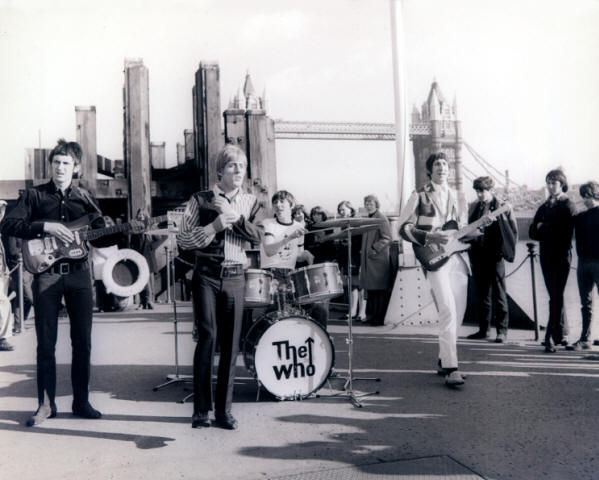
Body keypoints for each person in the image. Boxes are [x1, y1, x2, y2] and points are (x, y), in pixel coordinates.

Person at [0, 139, 135, 425]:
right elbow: (8, 224)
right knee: (45, 344)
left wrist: (128, 229)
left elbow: (101, 235)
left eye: (66, 163)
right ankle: (45, 405)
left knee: (82, 342)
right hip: (47, 276)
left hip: (79, 275)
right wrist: (44, 225)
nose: (60, 167)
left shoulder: (84, 199)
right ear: (50, 166)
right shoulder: (34, 197)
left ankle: (81, 401)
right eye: (56, 162)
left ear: (75, 168)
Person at [177, 144, 261, 430]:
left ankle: (224, 411)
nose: (238, 171)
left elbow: (259, 238)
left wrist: (235, 218)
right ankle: (201, 410)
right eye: (231, 166)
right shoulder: (200, 200)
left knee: (231, 345)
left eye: (242, 166)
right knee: (208, 337)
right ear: (219, 171)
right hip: (207, 276)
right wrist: (213, 226)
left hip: (236, 276)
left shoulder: (251, 202)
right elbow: (183, 241)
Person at [399, 152, 470, 386]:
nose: (441, 167)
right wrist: (429, 236)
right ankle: (452, 368)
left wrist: (477, 230)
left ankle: (443, 359)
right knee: (447, 309)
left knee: (458, 312)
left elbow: (463, 229)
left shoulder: (459, 196)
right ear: (430, 170)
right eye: (437, 164)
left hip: (457, 256)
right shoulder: (419, 195)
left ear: (449, 170)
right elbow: (402, 228)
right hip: (434, 259)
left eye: (444, 164)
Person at [529, 169, 576, 353]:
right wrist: (545, 228)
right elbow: (533, 232)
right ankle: (560, 334)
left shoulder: (568, 205)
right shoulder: (544, 206)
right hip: (546, 256)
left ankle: (549, 337)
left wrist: (543, 227)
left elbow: (565, 233)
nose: (549, 186)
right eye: (548, 182)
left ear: (562, 183)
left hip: (561, 256)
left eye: (553, 183)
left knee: (556, 295)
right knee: (554, 295)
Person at [466, 177, 518, 343]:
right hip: (478, 254)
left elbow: (513, 231)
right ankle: (484, 330)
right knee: (482, 294)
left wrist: (505, 251)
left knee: (499, 293)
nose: (480, 194)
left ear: (490, 190)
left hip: (495, 255)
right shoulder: (474, 206)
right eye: (477, 191)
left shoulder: (503, 207)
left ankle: (502, 331)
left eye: (482, 191)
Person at [565, 181, 599, 351]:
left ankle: (588, 338)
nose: (586, 199)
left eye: (588, 196)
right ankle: (585, 338)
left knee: (587, 303)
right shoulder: (580, 217)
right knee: (585, 303)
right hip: (583, 262)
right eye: (584, 196)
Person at [360, 194, 392, 326]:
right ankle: (371, 316)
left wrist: (374, 249)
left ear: (376, 204)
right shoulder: (369, 218)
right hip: (370, 260)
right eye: (366, 203)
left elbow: (387, 237)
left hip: (378, 260)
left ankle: (378, 318)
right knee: (371, 290)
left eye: (370, 203)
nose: (368, 206)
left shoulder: (381, 218)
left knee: (378, 290)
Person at [335, 200, 366, 321]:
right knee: (351, 285)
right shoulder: (343, 224)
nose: (342, 212)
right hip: (347, 256)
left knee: (360, 285)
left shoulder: (356, 222)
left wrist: (351, 242)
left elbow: (362, 239)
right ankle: (353, 311)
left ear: (350, 209)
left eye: (343, 209)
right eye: (340, 210)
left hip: (356, 256)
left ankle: (362, 312)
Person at [130, 208, 161, 310]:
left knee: (149, 280)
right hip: (138, 257)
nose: (141, 216)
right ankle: (142, 302)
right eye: (139, 214)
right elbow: (132, 243)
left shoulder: (151, 226)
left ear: (146, 215)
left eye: (143, 215)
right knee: (140, 280)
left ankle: (149, 301)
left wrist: (151, 247)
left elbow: (158, 239)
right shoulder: (134, 228)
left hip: (148, 256)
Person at [3, 234, 34, 334]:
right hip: (19, 266)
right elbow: (12, 251)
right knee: (28, 296)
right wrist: (25, 252)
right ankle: (46, 314)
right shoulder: (11, 232)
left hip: (26, 266)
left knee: (20, 296)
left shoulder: (19, 230)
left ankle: (18, 324)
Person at [0, 200, 15, 352]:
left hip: (1, 272)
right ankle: (3, 337)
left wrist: (5, 269)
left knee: (2, 302)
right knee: (4, 303)